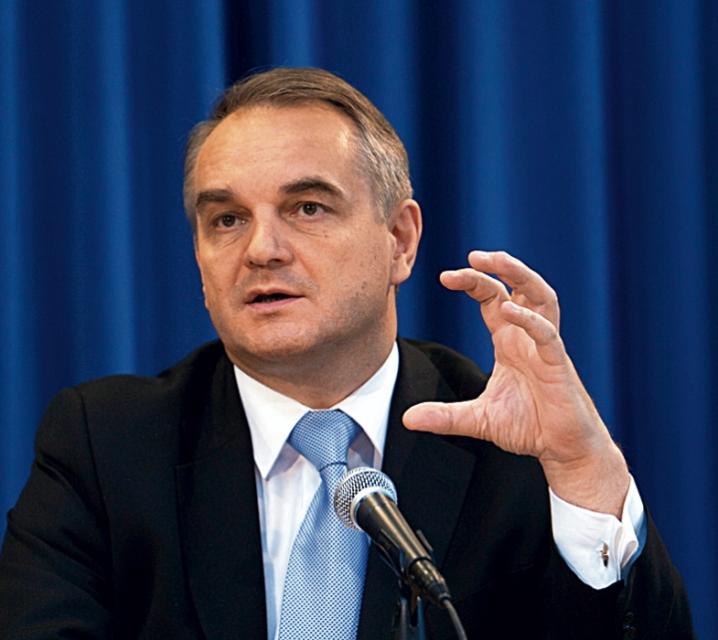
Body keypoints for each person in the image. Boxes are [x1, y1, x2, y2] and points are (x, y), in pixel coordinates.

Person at [0, 67, 693, 639]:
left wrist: (583, 473)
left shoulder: (511, 448)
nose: (261, 250)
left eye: (307, 208)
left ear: (400, 240)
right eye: (227, 219)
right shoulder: (106, 446)